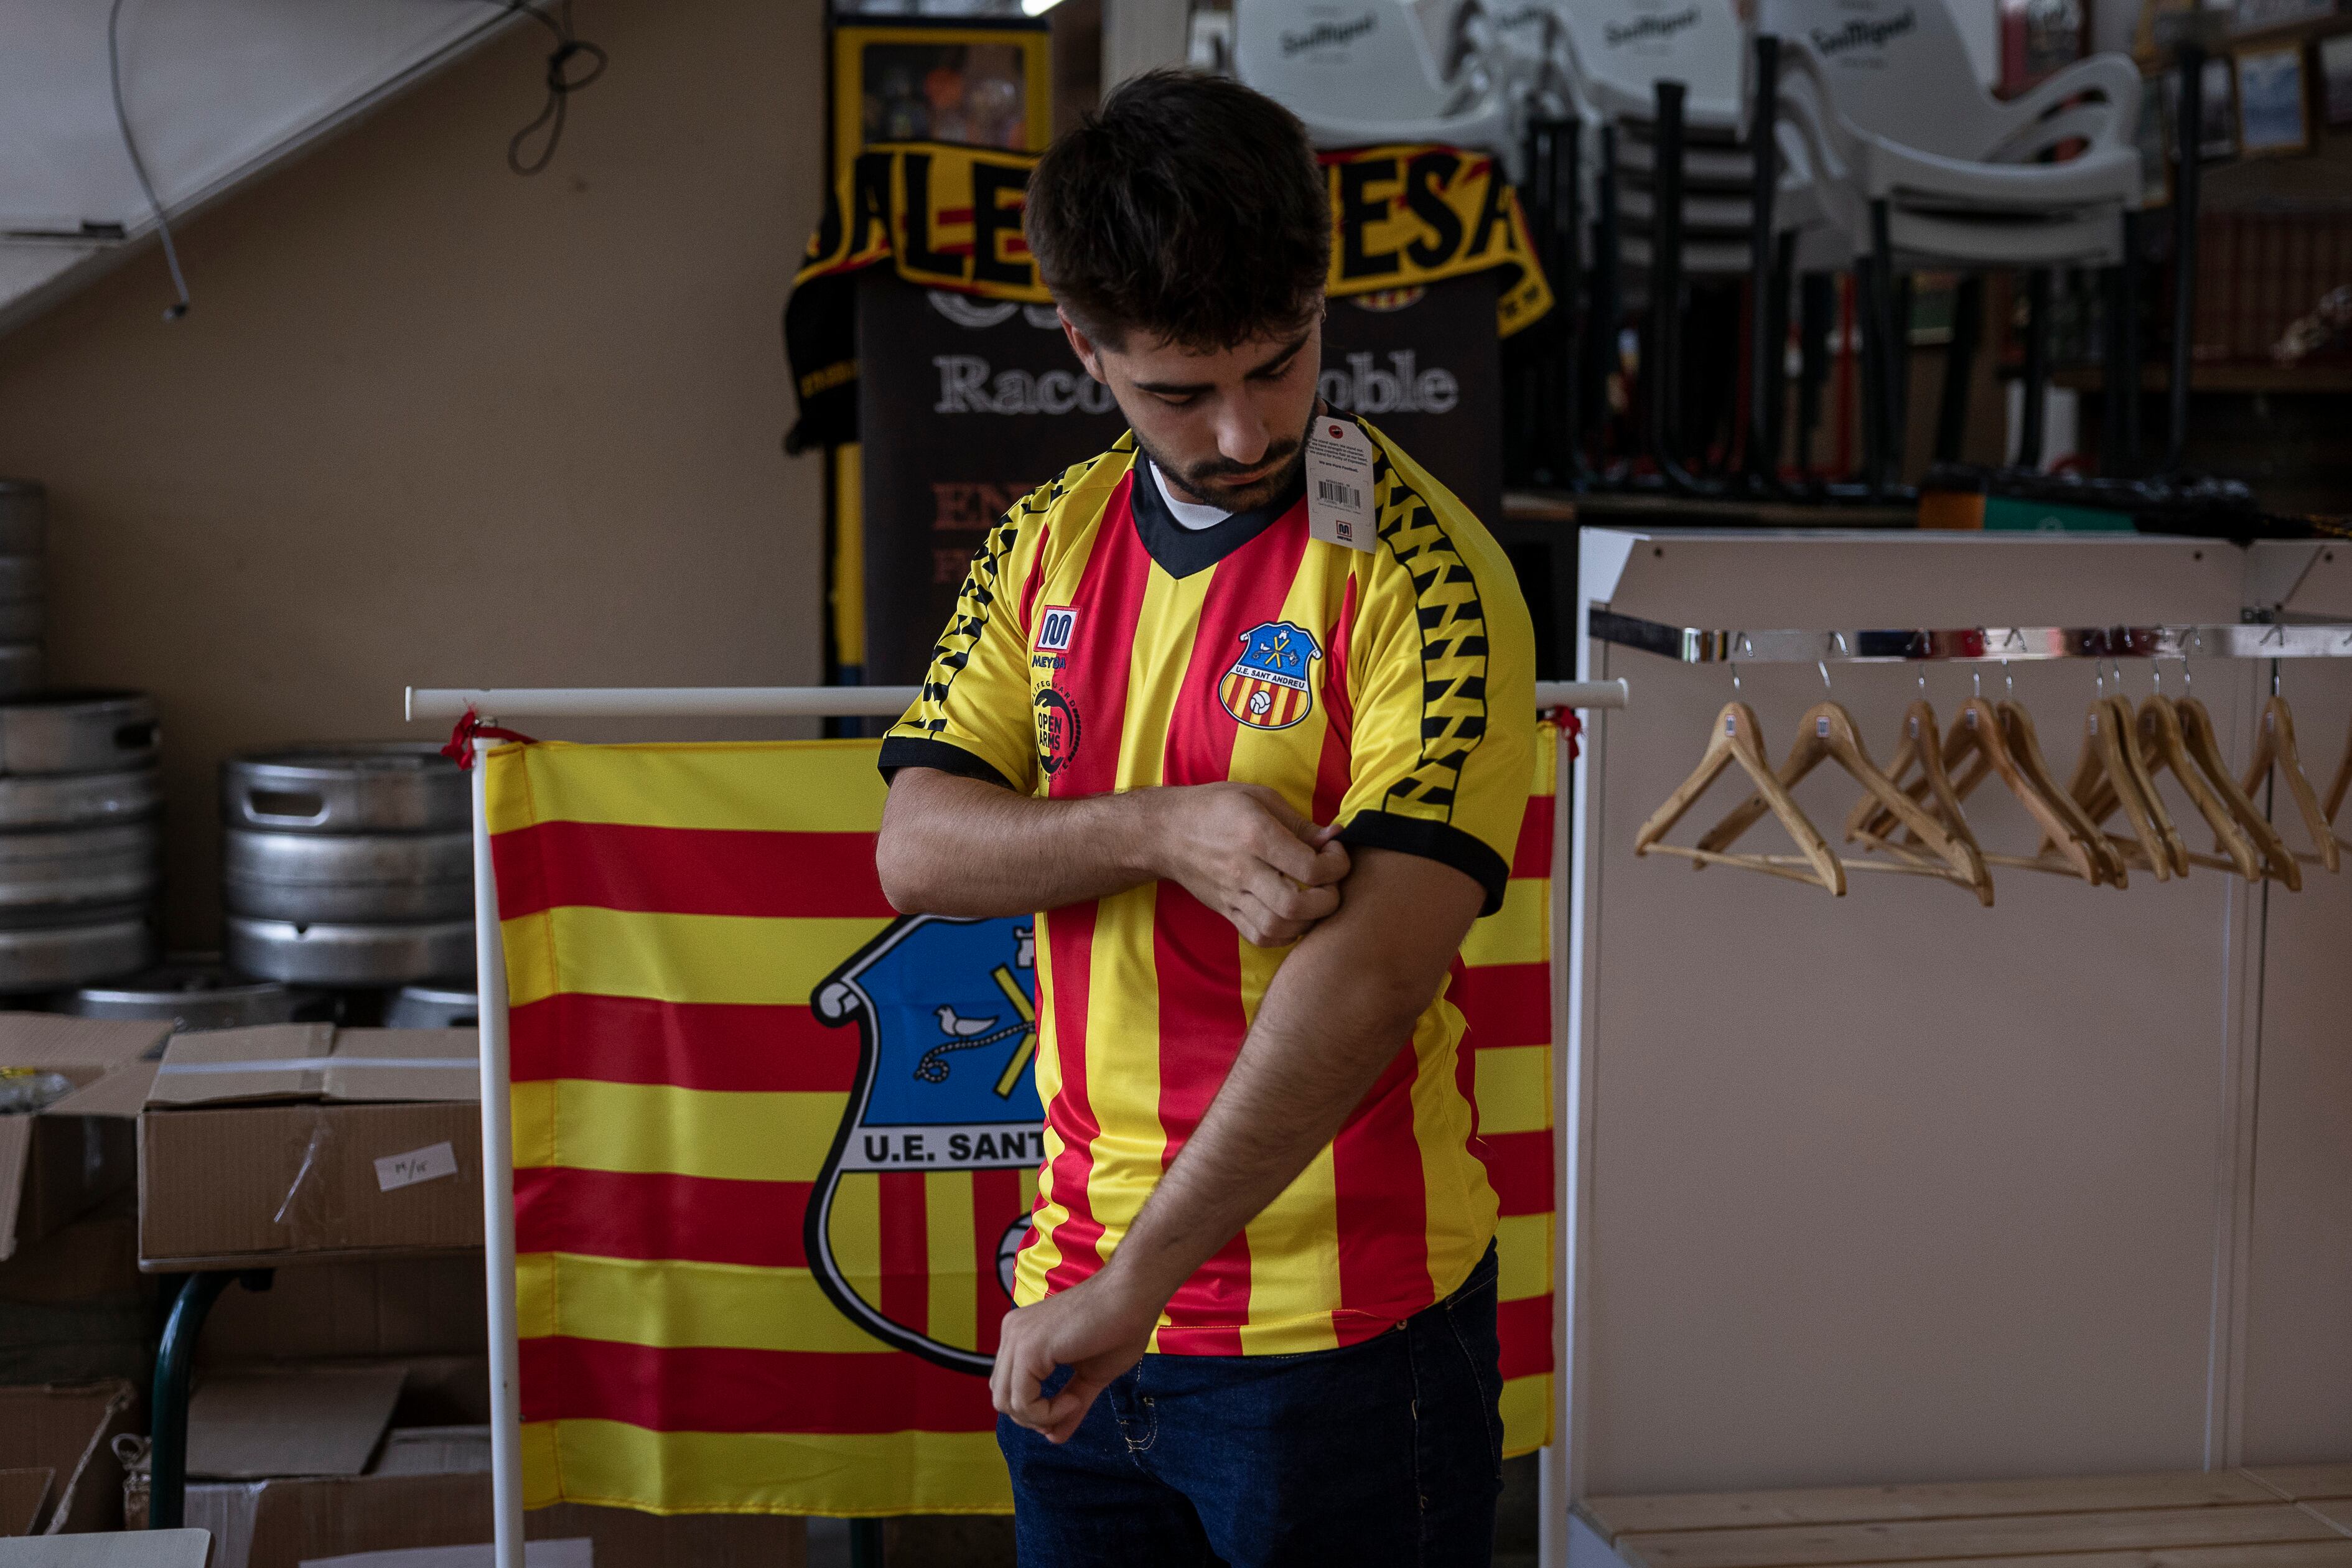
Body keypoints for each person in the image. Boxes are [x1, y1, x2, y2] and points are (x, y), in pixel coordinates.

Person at [872, 68, 1537, 1567]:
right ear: (1084, 348)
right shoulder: (1041, 547)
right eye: (1182, 390)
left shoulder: (1430, 580)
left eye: (1283, 363)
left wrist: (1136, 1286)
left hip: (1342, 1340)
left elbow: (1368, 983)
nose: (1245, 429)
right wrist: (1165, 829)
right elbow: (917, 850)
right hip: (1073, 1297)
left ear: (1323, 306)